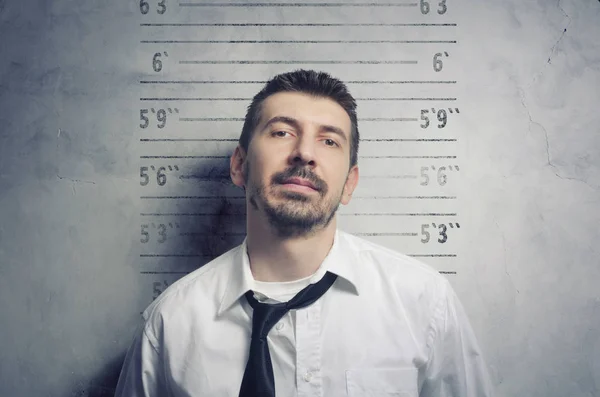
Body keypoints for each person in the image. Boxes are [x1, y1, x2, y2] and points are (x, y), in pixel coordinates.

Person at [115, 69, 494, 396]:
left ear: (349, 184)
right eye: (281, 132)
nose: (304, 153)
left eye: (329, 141)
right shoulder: (170, 324)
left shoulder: (424, 303)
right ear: (239, 165)